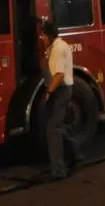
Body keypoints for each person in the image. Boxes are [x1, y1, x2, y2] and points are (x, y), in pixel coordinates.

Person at [41, 21, 83, 179]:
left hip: (60, 90)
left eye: (44, 35)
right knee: (57, 126)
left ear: (50, 35)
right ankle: (76, 153)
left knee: (53, 129)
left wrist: (48, 92)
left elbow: (59, 75)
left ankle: (59, 170)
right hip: (61, 90)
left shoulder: (57, 49)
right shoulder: (57, 46)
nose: (42, 38)